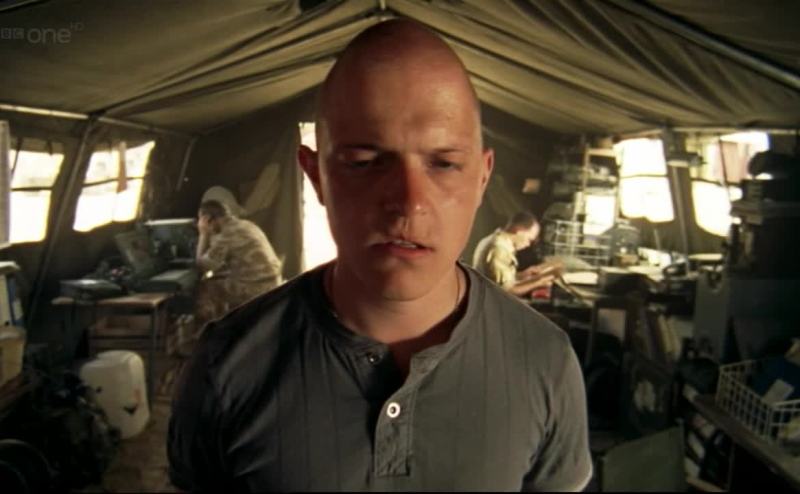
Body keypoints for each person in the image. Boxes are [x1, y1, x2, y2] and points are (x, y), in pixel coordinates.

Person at [168, 19, 591, 492]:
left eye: (444, 164)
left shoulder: (545, 361)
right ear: (316, 175)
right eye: (364, 162)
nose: (409, 201)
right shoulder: (227, 366)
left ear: (481, 178)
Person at [194, 199, 283, 324]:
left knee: (205, 288)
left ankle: (211, 330)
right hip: (273, 282)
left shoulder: (226, 234)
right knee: (217, 281)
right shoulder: (246, 225)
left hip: (258, 288)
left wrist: (203, 234)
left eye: (201, 221)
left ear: (208, 219)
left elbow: (203, 266)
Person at [472, 211, 561, 297]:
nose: (528, 245)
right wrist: (539, 282)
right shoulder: (499, 249)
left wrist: (522, 275)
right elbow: (507, 292)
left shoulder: (497, 240)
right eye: (529, 240)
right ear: (518, 231)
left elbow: (498, 279)